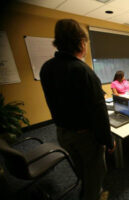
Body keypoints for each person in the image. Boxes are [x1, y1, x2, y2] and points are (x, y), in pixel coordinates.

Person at [40, 19, 115, 200]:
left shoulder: (46, 67)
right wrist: (108, 140)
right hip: (85, 136)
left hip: (61, 132)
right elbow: (99, 112)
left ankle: (89, 189)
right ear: (82, 43)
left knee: (80, 166)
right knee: (96, 171)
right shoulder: (84, 72)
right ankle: (93, 195)